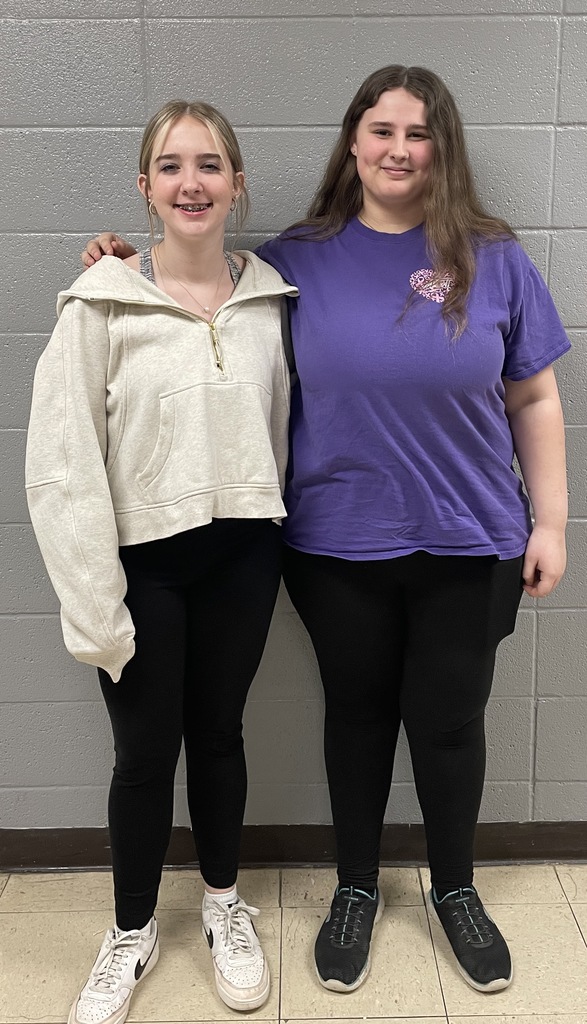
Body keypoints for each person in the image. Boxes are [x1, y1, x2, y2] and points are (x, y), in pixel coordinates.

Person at [81, 65, 569, 998]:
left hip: (472, 538)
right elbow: (197, 285)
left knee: (450, 723)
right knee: (355, 718)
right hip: (336, 545)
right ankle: (354, 887)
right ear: (352, 141)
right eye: (381, 131)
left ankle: (455, 888)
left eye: (418, 133)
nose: (399, 150)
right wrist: (119, 259)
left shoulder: (493, 255)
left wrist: (550, 521)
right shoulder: (293, 262)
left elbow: (534, 397)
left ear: (442, 147)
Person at [26, 99, 298, 1024]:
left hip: (245, 554)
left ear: (236, 183)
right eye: (172, 166)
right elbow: (61, 467)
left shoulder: (272, 300)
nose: (192, 183)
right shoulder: (98, 305)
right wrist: (94, 606)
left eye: (209, 164)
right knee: (144, 754)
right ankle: (131, 930)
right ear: (144, 187)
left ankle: (223, 905)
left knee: (219, 735)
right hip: (143, 568)